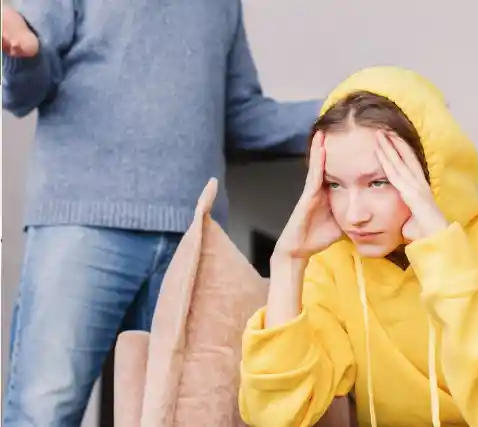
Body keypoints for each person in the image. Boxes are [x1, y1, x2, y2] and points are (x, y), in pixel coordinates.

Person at [238, 66, 478, 427]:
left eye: (379, 182)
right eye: (336, 184)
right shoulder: (334, 265)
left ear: (430, 175)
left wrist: (444, 256)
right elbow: (277, 416)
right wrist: (288, 262)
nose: (354, 215)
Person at [1, 1, 321, 425]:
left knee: (177, 413)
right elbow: (23, 93)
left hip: (191, 238)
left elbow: (242, 117)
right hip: (84, 225)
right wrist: (22, 53)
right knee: (45, 411)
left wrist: (342, 111)